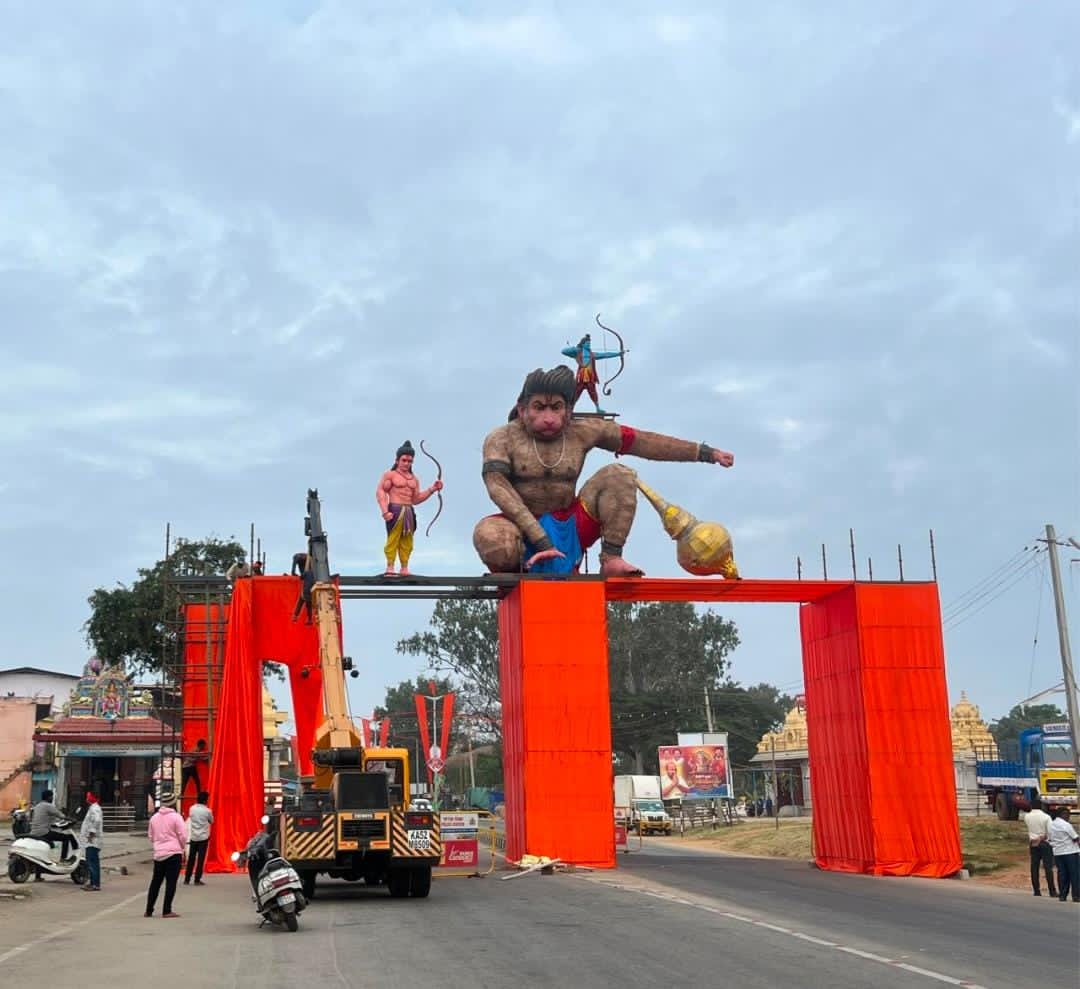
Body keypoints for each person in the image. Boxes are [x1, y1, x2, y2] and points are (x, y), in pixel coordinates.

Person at [473, 366, 734, 576]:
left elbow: (641, 441)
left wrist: (705, 453)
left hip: (571, 525)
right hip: (520, 528)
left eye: (556, 407)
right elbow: (498, 488)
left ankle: (611, 558)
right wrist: (540, 539)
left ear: (568, 411)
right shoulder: (501, 438)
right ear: (522, 410)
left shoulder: (584, 430)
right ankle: (512, 570)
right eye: (539, 407)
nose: (549, 417)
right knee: (491, 539)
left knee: (619, 475)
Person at [376, 440, 444, 576]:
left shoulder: (414, 479)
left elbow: (416, 499)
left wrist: (432, 489)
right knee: (393, 539)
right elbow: (380, 492)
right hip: (394, 509)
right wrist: (384, 511)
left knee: (407, 540)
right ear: (397, 460)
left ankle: (404, 567)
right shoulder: (390, 475)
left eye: (410, 461)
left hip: (409, 511)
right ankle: (390, 566)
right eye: (404, 460)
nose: (407, 463)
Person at [560, 333, 624, 414]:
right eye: (587, 343)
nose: (589, 345)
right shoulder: (578, 352)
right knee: (576, 393)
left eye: (589, 344)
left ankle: (598, 408)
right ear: (583, 344)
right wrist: (575, 349)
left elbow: (605, 354)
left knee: (593, 392)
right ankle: (571, 408)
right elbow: (563, 351)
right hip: (581, 377)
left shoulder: (592, 354)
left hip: (590, 377)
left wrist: (618, 354)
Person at [146, 794, 187, 918]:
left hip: (159, 854)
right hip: (173, 853)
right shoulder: (176, 817)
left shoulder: (154, 818)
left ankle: (149, 909)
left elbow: (151, 836)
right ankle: (166, 910)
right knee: (171, 882)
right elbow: (183, 836)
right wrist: (182, 847)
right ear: (173, 803)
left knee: (155, 882)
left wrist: (158, 845)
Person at [1023, 798, 1058, 897]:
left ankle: (1036, 890)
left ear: (1031, 806)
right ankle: (1052, 891)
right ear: (1041, 806)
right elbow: (1051, 832)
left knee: (1034, 867)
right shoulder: (1046, 817)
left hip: (1033, 843)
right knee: (1048, 868)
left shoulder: (1027, 816)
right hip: (1044, 843)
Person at [30, 789, 74, 862]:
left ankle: (50, 858)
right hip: (43, 832)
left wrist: (55, 823)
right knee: (65, 838)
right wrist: (72, 819)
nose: (52, 798)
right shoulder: (48, 806)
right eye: (52, 796)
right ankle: (63, 859)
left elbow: (50, 819)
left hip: (34, 832)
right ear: (48, 797)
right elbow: (61, 816)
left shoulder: (38, 806)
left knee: (53, 840)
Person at [1047, 806, 1080, 902]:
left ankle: (1063, 895)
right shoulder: (1066, 825)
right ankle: (1076, 896)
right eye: (1068, 815)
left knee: (1062, 874)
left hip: (1058, 853)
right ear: (1063, 814)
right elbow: (1075, 838)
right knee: (1075, 874)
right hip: (1070, 852)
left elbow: (1049, 839)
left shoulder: (1051, 825)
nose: (1068, 817)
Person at [184, 791, 213, 886]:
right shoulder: (207, 811)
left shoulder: (191, 808)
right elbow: (211, 821)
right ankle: (197, 879)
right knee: (200, 859)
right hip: (203, 837)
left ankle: (187, 878)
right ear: (205, 800)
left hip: (193, 837)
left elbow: (191, 818)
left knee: (191, 858)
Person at [80, 791, 103, 891]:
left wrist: (91, 833)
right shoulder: (93, 808)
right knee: (93, 862)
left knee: (91, 862)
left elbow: (97, 821)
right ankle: (94, 883)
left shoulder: (95, 808)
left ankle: (94, 884)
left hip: (93, 840)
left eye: (88, 797)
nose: (86, 799)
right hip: (92, 839)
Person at [291, 552, 315, 624]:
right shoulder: (315, 574)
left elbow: (295, 572)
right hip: (312, 591)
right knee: (308, 604)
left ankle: (295, 616)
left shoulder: (297, 557)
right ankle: (310, 619)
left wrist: (294, 574)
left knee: (301, 601)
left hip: (306, 591)